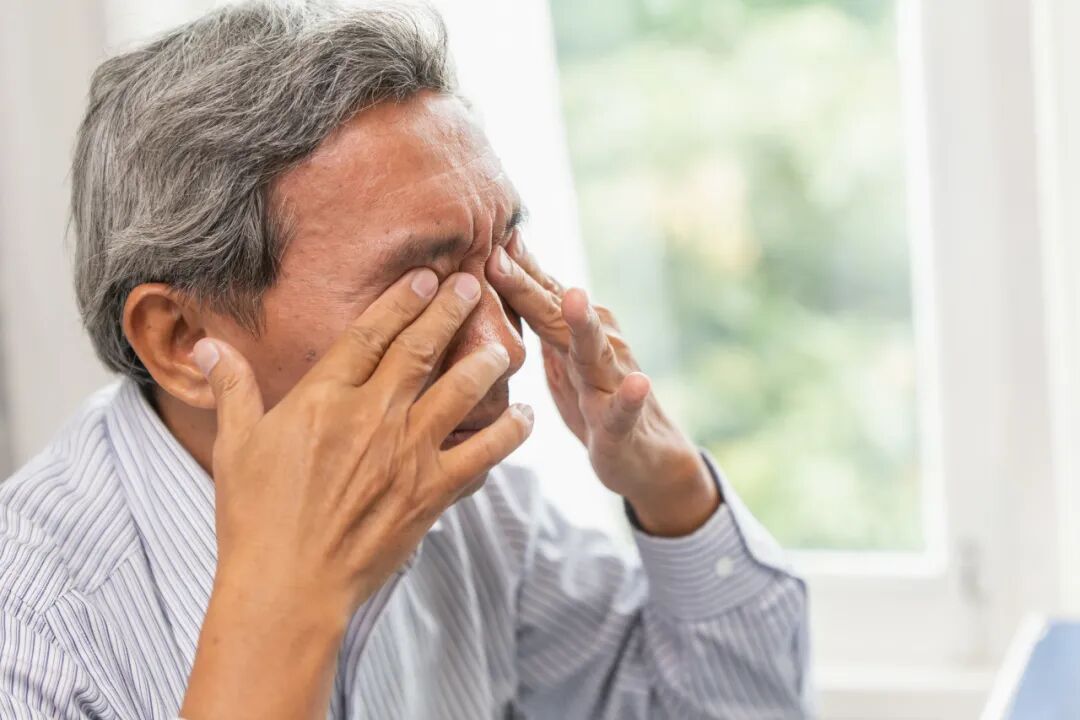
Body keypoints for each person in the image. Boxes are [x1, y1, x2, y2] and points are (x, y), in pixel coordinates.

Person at [0, 2, 809, 718]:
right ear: (179, 341)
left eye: (500, 263)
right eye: (423, 288)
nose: (502, 347)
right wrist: (288, 606)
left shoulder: (479, 520)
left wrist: (668, 487)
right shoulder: (31, 628)